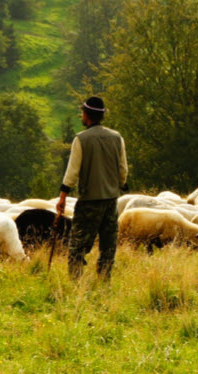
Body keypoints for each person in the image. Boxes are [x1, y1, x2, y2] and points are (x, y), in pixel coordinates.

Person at [55, 96, 128, 279]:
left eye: (82, 112)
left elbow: (72, 172)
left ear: (87, 115)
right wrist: (120, 184)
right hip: (111, 200)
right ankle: (104, 281)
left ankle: (76, 283)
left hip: (89, 202)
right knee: (108, 246)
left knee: (78, 246)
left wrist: (63, 197)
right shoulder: (117, 138)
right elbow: (123, 169)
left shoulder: (81, 139)